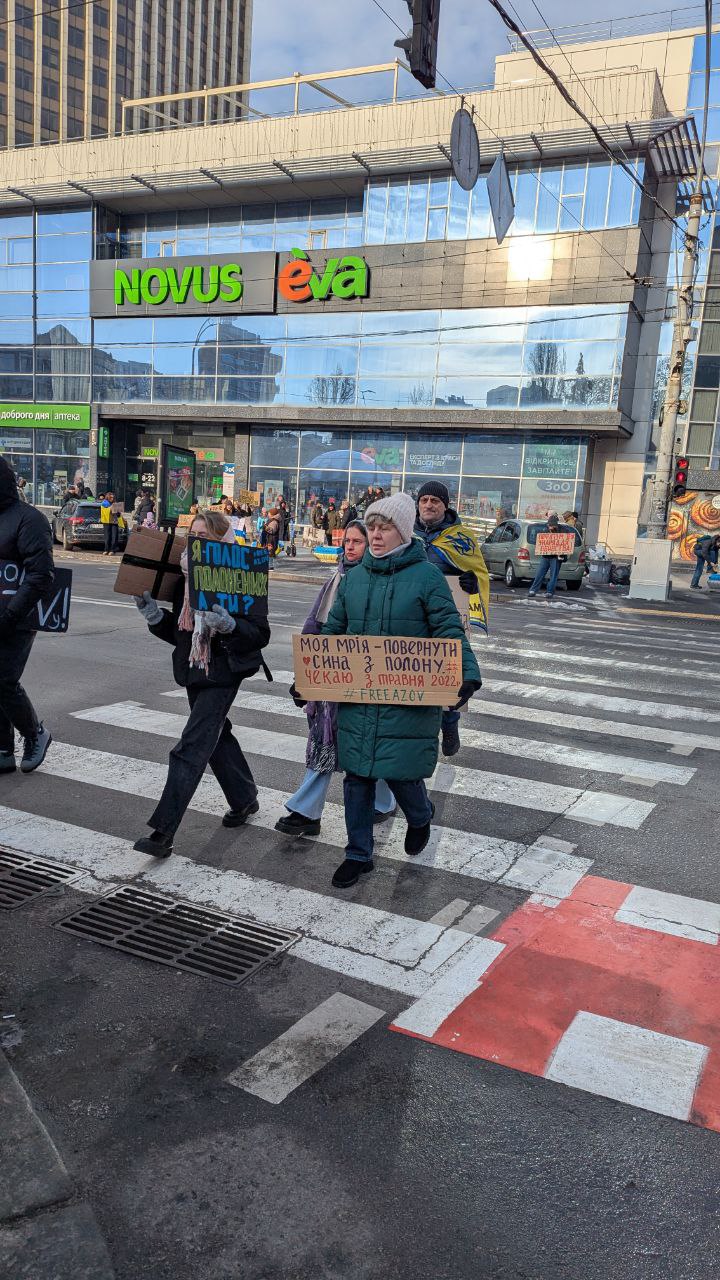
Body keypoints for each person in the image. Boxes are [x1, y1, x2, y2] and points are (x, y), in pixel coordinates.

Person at [322, 492, 482, 889]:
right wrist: (311, 675)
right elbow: (332, 634)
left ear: (403, 531)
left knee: (400, 772)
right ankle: (358, 854)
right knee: (357, 777)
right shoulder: (354, 577)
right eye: (371, 527)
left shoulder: (426, 576)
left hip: (408, 699)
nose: (375, 535)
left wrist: (467, 673)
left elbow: (448, 628)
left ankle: (421, 814)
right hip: (359, 698)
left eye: (385, 527)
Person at [132, 509, 269, 857]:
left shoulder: (241, 573)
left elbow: (260, 634)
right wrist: (154, 617)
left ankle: (163, 831)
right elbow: (182, 634)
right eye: (192, 534)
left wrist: (230, 627)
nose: (196, 541)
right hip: (194, 670)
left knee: (191, 746)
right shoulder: (184, 577)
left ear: (221, 540)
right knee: (216, 736)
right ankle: (244, 798)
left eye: (204, 536)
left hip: (224, 671)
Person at [278, 520, 396, 837]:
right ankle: (306, 811)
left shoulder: (385, 581)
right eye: (347, 541)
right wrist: (305, 674)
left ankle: (385, 801)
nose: (350, 547)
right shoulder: (335, 580)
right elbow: (314, 628)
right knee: (324, 739)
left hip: (370, 680)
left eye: (358, 541)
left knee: (370, 744)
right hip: (334, 677)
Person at [414, 480, 491, 757]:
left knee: (448, 673)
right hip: (411, 615)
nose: (429, 505)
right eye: (424, 500)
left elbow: (478, 573)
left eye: (435, 500)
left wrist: (470, 583)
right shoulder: (404, 532)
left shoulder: (460, 537)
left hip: (446, 616)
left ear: (445, 506)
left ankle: (450, 723)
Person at [0, 458, 54, 775]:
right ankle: (4, 750)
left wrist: (9, 616)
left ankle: (35, 735)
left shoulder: (29, 519)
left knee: (3, 681)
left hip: (17, 618)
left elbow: (40, 575)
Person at [528, 512, 564, 601]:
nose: (550, 527)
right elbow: (541, 542)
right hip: (546, 556)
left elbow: (565, 542)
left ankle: (549, 591)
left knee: (553, 575)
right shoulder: (545, 531)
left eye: (551, 525)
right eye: (549, 525)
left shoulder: (562, 531)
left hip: (556, 557)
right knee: (539, 573)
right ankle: (533, 590)